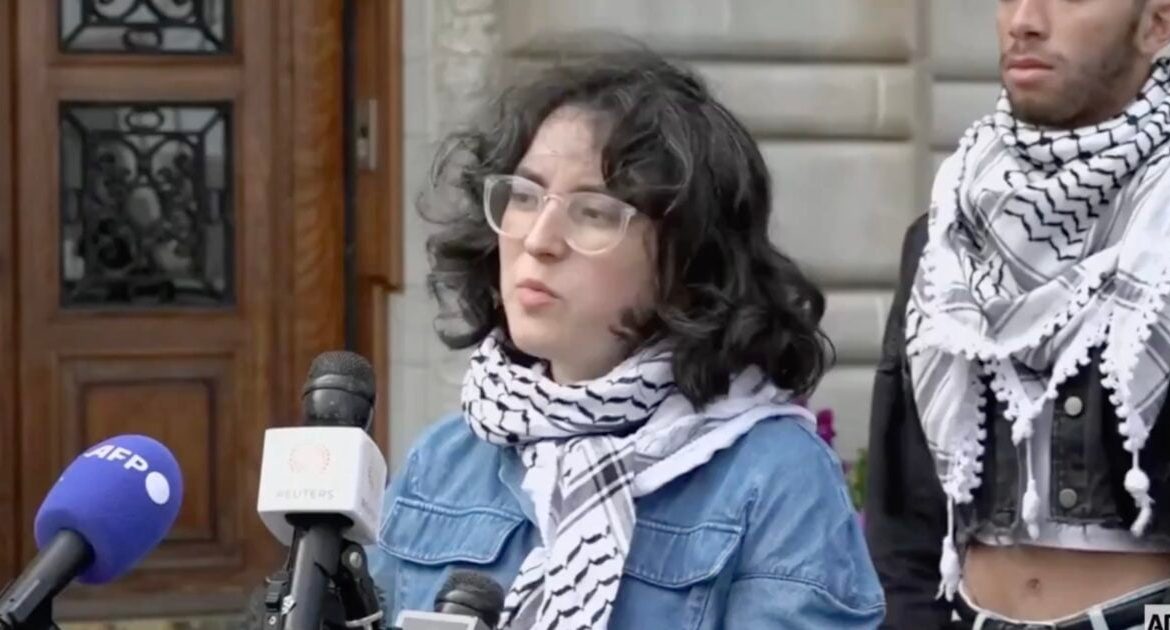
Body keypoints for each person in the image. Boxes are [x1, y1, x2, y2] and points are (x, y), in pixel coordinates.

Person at [364, 46, 884, 629]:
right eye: (525, 196)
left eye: (592, 211)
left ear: (686, 261)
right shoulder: (443, 461)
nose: (539, 240)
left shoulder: (774, 480)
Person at [865, 0, 1170, 628]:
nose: (1024, 20)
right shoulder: (947, 235)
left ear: (1156, 24)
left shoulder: (1158, 233)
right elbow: (904, 523)